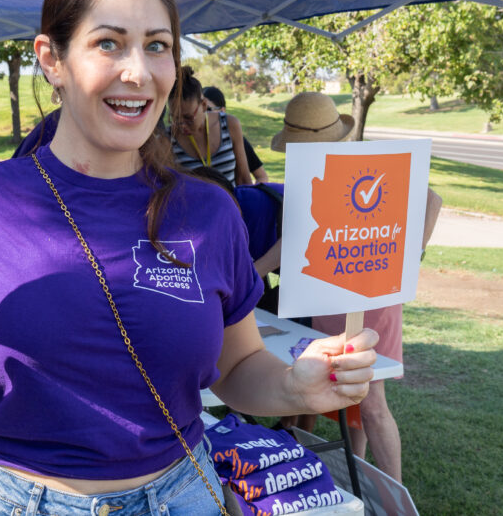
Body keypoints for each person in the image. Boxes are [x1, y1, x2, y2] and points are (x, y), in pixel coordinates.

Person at [0, 0, 378, 515]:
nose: (138, 72)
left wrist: (294, 386)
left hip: (184, 496)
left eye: (157, 46)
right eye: (109, 43)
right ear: (52, 60)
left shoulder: (209, 210)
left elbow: (238, 370)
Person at [271, 91, 443, 484]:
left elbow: (431, 199)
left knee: (373, 403)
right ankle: (357, 475)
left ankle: (395, 497)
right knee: (344, 387)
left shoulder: (363, 163)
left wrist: (404, 257)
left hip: (370, 294)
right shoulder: (310, 170)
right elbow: (299, 238)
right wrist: (255, 268)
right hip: (326, 291)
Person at [170, 67, 253, 186]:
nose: (181, 125)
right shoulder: (168, 139)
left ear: (203, 105)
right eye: (175, 118)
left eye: (188, 118)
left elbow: (244, 179)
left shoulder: (229, 124)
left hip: (230, 203)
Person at [203, 85, 270, 184]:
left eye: (208, 110)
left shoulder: (235, 139)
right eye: (199, 110)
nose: (203, 115)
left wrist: (250, 196)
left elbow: (262, 176)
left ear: (222, 111)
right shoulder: (184, 141)